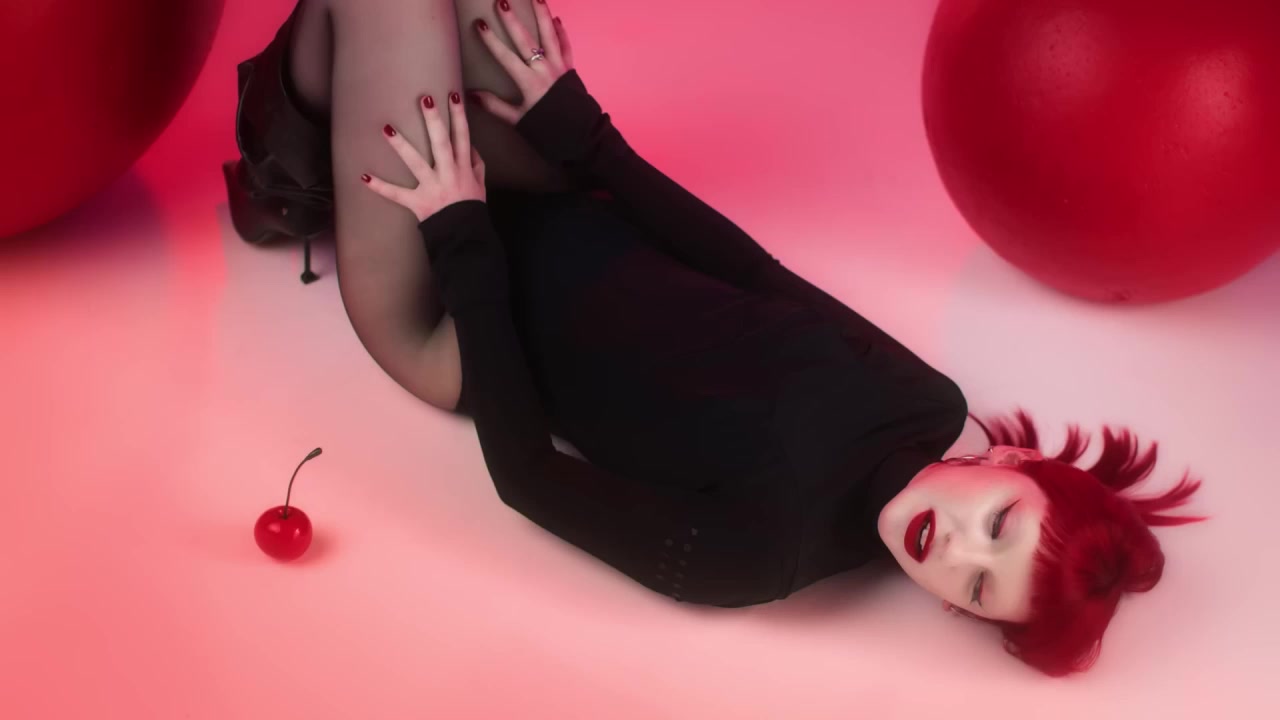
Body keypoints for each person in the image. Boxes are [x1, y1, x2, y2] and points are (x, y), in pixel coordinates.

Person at [222, 0, 1206, 677]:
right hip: (555, 200)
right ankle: (300, 166)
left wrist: (462, 236)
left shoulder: (756, 560)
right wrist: (584, 134)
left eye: (978, 590)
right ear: (1012, 463)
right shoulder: (927, 404)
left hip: (446, 318)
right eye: (996, 525)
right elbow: (754, 274)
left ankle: (284, 178)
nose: (953, 552)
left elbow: (527, 477)